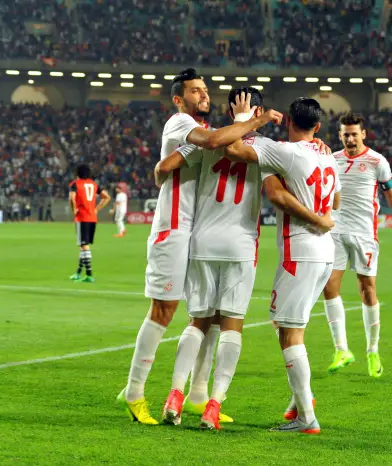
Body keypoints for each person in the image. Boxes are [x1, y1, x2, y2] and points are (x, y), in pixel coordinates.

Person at [156, 88, 331, 430]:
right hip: (240, 245)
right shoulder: (265, 150)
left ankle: (174, 396)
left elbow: (165, 167)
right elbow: (277, 191)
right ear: (259, 110)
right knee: (232, 327)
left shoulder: (208, 139)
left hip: (202, 241)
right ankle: (213, 405)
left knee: (197, 322)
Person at [117, 68, 281, 426]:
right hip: (176, 229)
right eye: (195, 91)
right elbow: (171, 163)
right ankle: (133, 390)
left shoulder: (211, 137)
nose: (203, 95)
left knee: (206, 320)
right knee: (164, 310)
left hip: (197, 235)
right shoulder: (184, 124)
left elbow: (163, 168)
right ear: (179, 99)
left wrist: (160, 174)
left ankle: (196, 395)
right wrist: (258, 124)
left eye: (205, 90)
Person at [224, 97, 340, 434]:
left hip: (299, 251)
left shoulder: (282, 151)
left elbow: (232, 147)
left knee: (290, 335)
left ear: (288, 120)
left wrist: (251, 120)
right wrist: (323, 216)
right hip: (324, 252)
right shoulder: (327, 156)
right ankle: (299, 399)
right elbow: (335, 201)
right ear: (318, 127)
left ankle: (307, 417)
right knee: (285, 324)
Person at [322, 112, 392, 378]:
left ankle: (372, 350)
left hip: (364, 235)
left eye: (354, 134)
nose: (350, 138)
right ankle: (341, 349)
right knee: (329, 287)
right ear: (339, 135)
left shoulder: (376, 161)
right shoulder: (331, 159)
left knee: (367, 291)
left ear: (363, 134)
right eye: (345, 134)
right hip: (335, 231)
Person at [69, 164, 111, 283]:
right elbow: (107, 197)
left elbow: (71, 198)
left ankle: (89, 274)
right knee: (84, 245)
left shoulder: (75, 184)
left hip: (82, 217)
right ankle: (78, 272)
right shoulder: (94, 184)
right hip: (92, 217)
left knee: (84, 245)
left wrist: (74, 210)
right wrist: (97, 209)